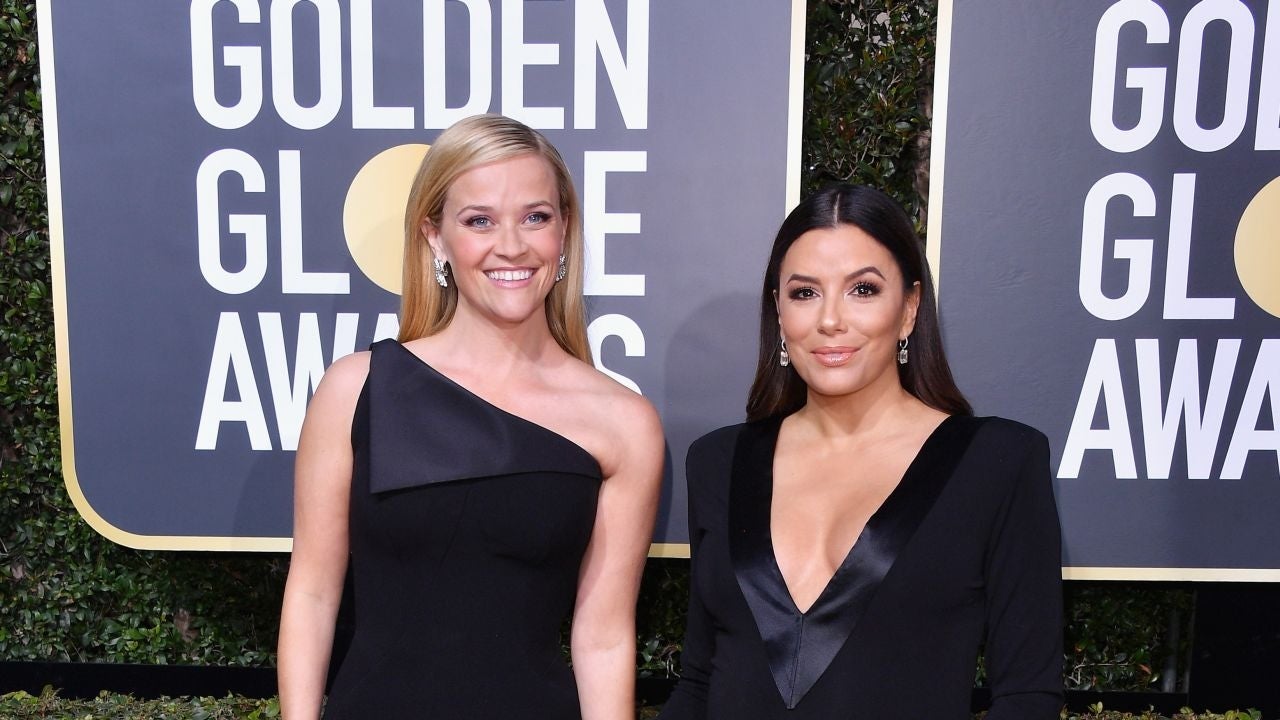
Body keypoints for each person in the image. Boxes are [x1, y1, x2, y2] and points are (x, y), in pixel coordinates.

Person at [277, 114, 665, 720]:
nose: (511, 245)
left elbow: (604, 636)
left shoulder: (623, 423)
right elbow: (312, 593)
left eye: (536, 217)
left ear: (564, 232)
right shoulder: (356, 390)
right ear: (435, 237)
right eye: (479, 220)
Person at [659, 184, 1063, 719]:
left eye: (863, 289)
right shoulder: (718, 462)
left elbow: (1027, 698)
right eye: (805, 293)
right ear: (778, 312)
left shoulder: (998, 463)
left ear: (909, 309)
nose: (831, 320)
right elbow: (699, 680)